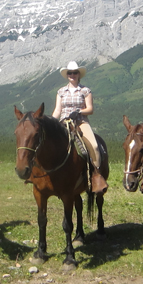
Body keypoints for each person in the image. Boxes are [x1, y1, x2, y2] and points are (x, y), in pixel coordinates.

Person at [51, 61, 107, 193]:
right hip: (63, 122)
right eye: (70, 73)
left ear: (78, 74)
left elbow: (90, 109)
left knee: (93, 146)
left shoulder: (85, 90)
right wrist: (52, 123)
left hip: (80, 122)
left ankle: (96, 176)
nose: (72, 75)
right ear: (67, 75)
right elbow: (57, 110)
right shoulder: (60, 92)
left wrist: (80, 112)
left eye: (74, 72)